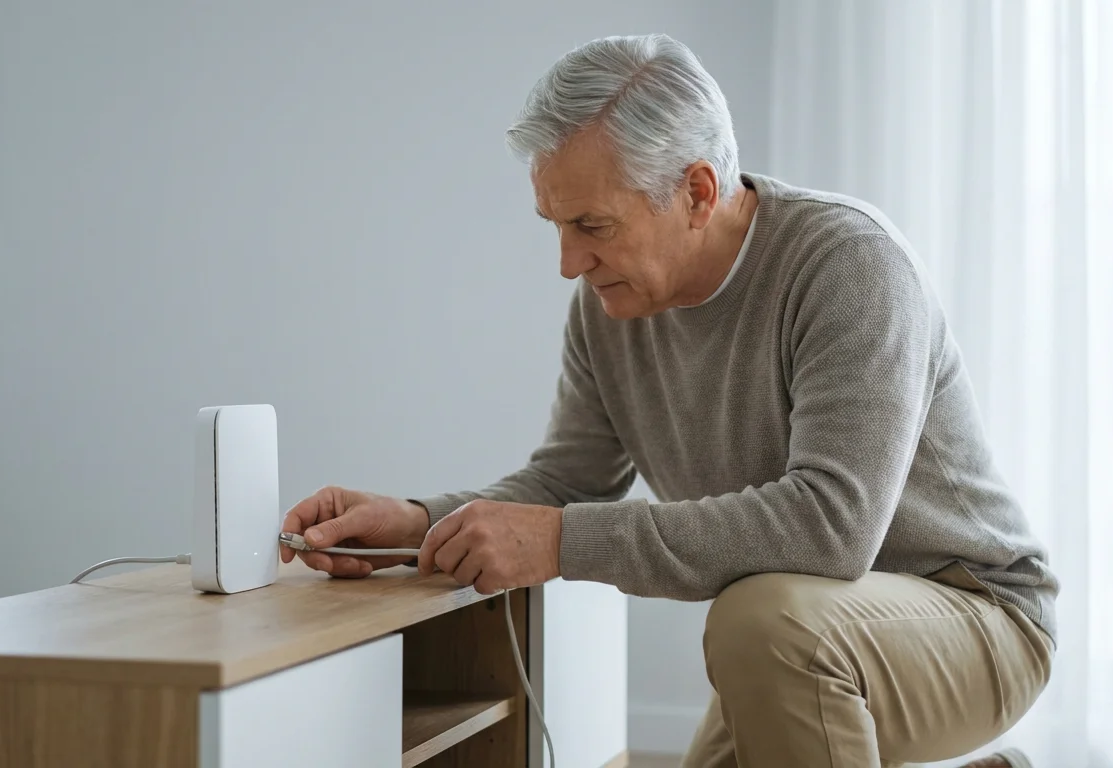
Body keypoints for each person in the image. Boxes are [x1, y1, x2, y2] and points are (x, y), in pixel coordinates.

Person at [280, 33, 1057, 768]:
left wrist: (561, 543)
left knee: (759, 625)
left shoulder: (849, 266)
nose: (567, 262)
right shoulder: (608, 307)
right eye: (555, 225)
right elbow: (566, 483)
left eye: (592, 225)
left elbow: (831, 530)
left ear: (696, 190)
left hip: (976, 614)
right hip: (808, 622)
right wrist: (420, 521)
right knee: (767, 625)